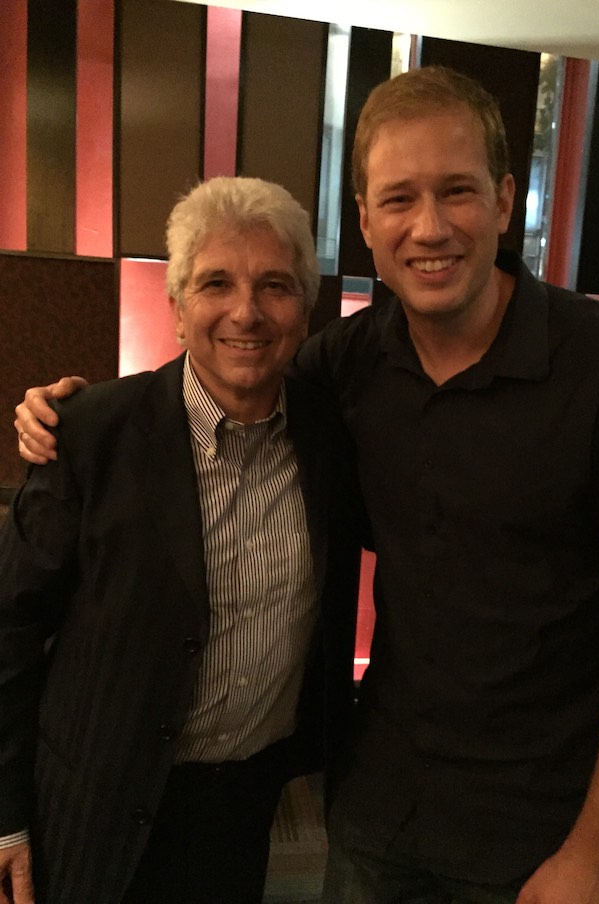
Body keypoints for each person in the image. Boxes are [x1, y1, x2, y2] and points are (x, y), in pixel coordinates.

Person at [14, 66, 599, 904]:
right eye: (399, 198)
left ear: (507, 200)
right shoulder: (349, 365)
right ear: (365, 220)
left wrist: (593, 850)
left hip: (536, 830)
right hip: (375, 811)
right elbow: (226, 371)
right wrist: (77, 416)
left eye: (458, 192)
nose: (429, 226)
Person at [1, 176, 362, 904]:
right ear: (174, 307)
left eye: (275, 285)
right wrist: (5, 821)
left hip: (242, 808)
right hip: (88, 810)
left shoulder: (336, 434)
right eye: (215, 283)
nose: (246, 312)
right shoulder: (90, 432)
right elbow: (7, 626)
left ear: (307, 306)